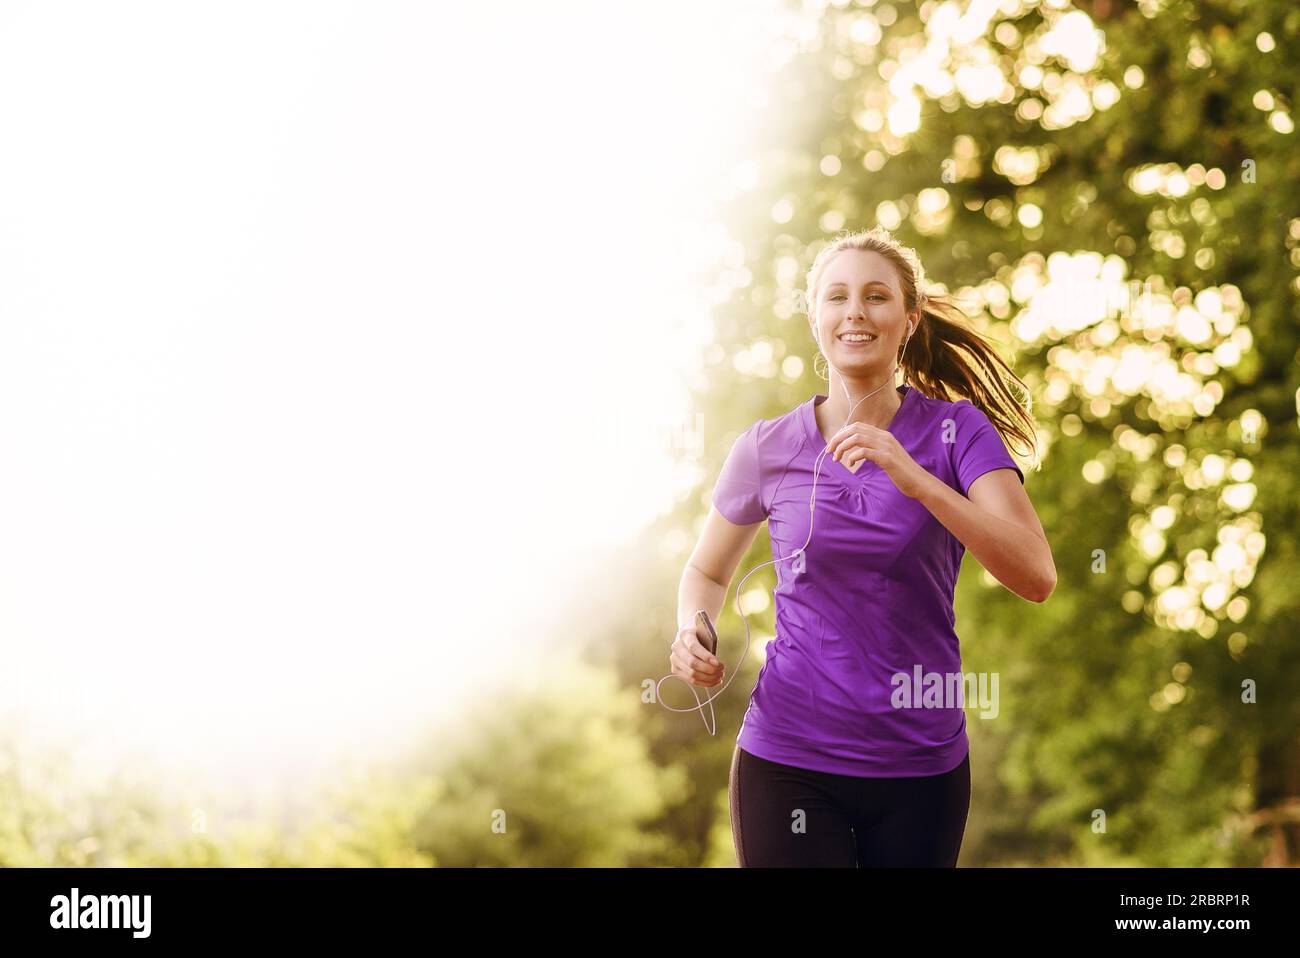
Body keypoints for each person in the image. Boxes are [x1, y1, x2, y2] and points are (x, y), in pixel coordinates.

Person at [669, 226, 1055, 867]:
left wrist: (916, 479)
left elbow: (1035, 574)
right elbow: (706, 571)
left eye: (876, 297)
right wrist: (693, 628)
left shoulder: (959, 433)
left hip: (921, 767)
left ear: (909, 318)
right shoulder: (766, 448)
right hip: (789, 757)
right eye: (837, 297)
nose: (855, 312)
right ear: (815, 317)